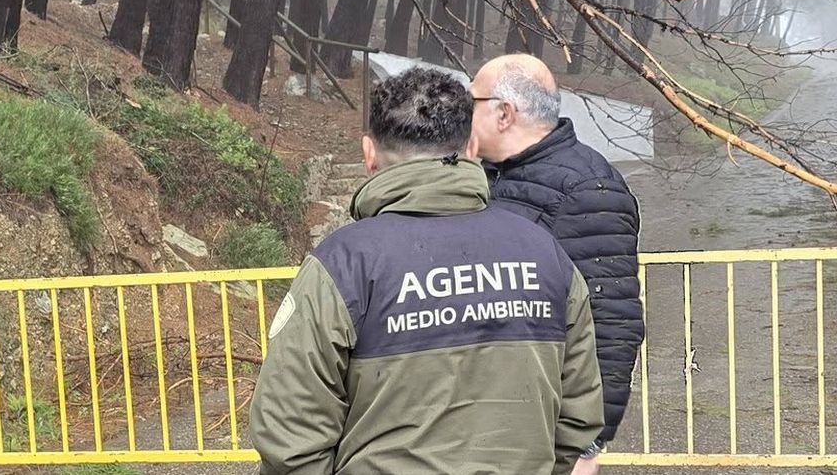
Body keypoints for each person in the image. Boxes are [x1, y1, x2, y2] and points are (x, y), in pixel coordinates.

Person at [251, 66, 604, 475]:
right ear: (471, 145)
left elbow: (289, 434)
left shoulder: (342, 264)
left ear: (368, 154)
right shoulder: (545, 253)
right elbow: (577, 416)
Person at [471, 53, 644, 473]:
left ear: (504, 113)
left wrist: (588, 444)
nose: (462, 114)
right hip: (485, 414)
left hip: (542, 427)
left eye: (471, 102)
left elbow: (612, 323)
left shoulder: (589, 187)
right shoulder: (485, 177)